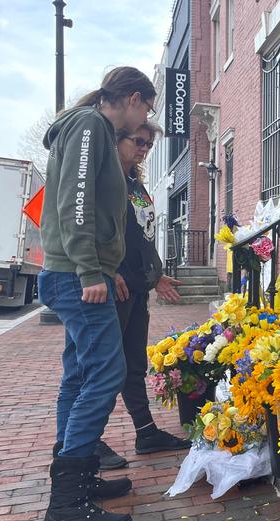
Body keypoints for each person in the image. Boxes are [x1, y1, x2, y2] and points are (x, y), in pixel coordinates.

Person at [38, 66, 156, 521]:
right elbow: (77, 201)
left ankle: (77, 479)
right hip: (77, 275)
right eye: (145, 109)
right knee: (105, 374)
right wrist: (91, 270)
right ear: (131, 98)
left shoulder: (92, 129)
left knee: (81, 373)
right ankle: (66, 502)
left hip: (73, 272)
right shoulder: (90, 126)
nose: (143, 121)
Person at [93, 122, 187, 471]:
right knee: (104, 368)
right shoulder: (109, 179)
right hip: (115, 287)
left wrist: (155, 274)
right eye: (138, 141)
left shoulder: (136, 183)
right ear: (117, 140)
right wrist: (109, 268)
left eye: (149, 144)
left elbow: (142, 234)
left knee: (134, 366)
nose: (144, 147)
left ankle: (146, 432)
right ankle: (88, 441)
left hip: (137, 286)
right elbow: (97, 228)